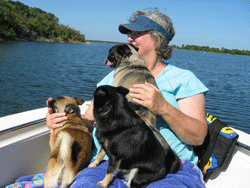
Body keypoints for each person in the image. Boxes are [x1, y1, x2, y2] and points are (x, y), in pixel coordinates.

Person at [46, 8, 208, 187]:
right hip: (108, 164)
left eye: (137, 33)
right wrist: (63, 120)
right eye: (129, 33)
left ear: (158, 39)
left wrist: (163, 107)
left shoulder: (183, 79)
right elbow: (89, 120)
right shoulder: (112, 78)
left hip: (163, 168)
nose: (130, 38)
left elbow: (198, 136)